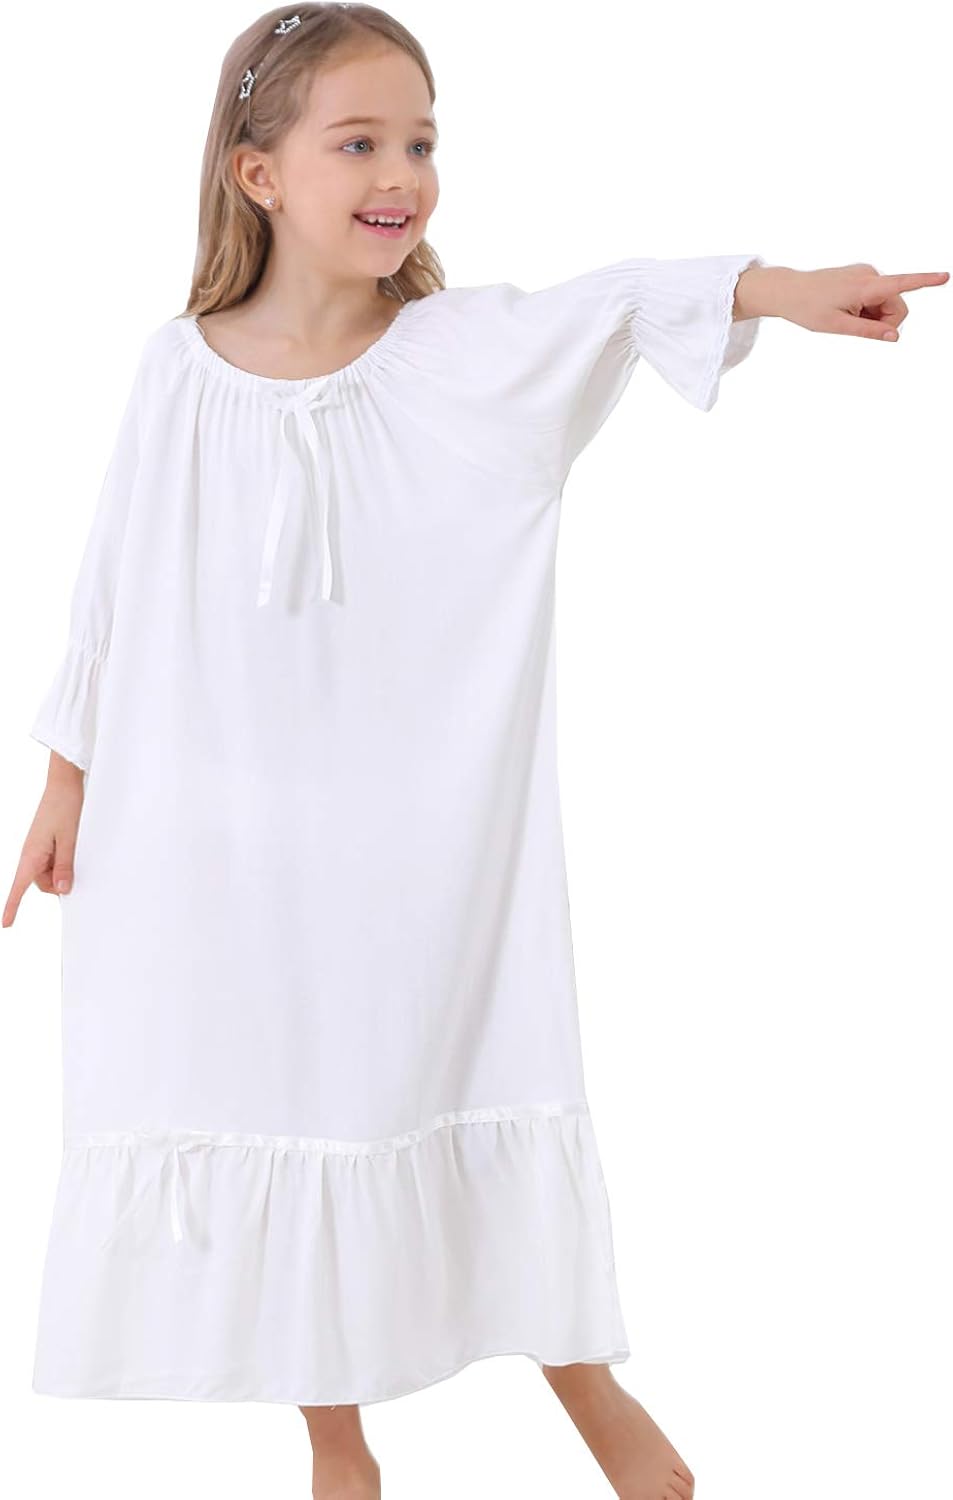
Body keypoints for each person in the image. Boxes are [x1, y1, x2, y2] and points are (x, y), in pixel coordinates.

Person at [4, 4, 946, 1498]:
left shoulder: (459, 356)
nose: (403, 175)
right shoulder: (175, 369)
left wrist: (785, 289)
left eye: (422, 142)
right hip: (212, 837)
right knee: (270, 1090)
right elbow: (111, 586)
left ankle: (593, 1396)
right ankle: (336, 1444)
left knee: (442, 1067)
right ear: (258, 174)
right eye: (359, 143)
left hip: (411, 836)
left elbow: (622, 299)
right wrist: (66, 781)